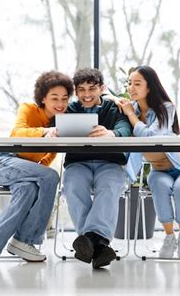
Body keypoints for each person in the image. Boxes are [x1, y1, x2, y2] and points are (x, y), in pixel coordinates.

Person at [0, 71, 74, 264]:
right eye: (54, 98)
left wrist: (37, 169)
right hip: (5, 162)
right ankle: (26, 240)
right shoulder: (28, 108)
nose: (60, 103)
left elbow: (49, 156)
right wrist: (46, 132)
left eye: (64, 98)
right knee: (51, 177)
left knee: (29, 190)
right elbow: (18, 131)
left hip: (28, 172)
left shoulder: (61, 123)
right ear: (43, 98)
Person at [115, 65, 180, 259]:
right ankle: (169, 237)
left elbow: (150, 136)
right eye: (130, 83)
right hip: (159, 170)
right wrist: (127, 111)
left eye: (137, 83)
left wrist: (131, 114)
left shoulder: (165, 108)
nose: (131, 88)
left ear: (150, 87)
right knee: (159, 186)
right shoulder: (131, 109)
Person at [62, 68, 132, 269]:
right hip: (78, 162)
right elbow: (58, 129)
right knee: (73, 186)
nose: (86, 94)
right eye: (81, 89)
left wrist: (111, 134)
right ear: (76, 91)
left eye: (92, 89)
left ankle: (89, 241)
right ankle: (99, 246)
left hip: (109, 162)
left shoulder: (114, 107)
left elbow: (124, 129)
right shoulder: (70, 109)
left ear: (102, 88)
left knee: (109, 188)